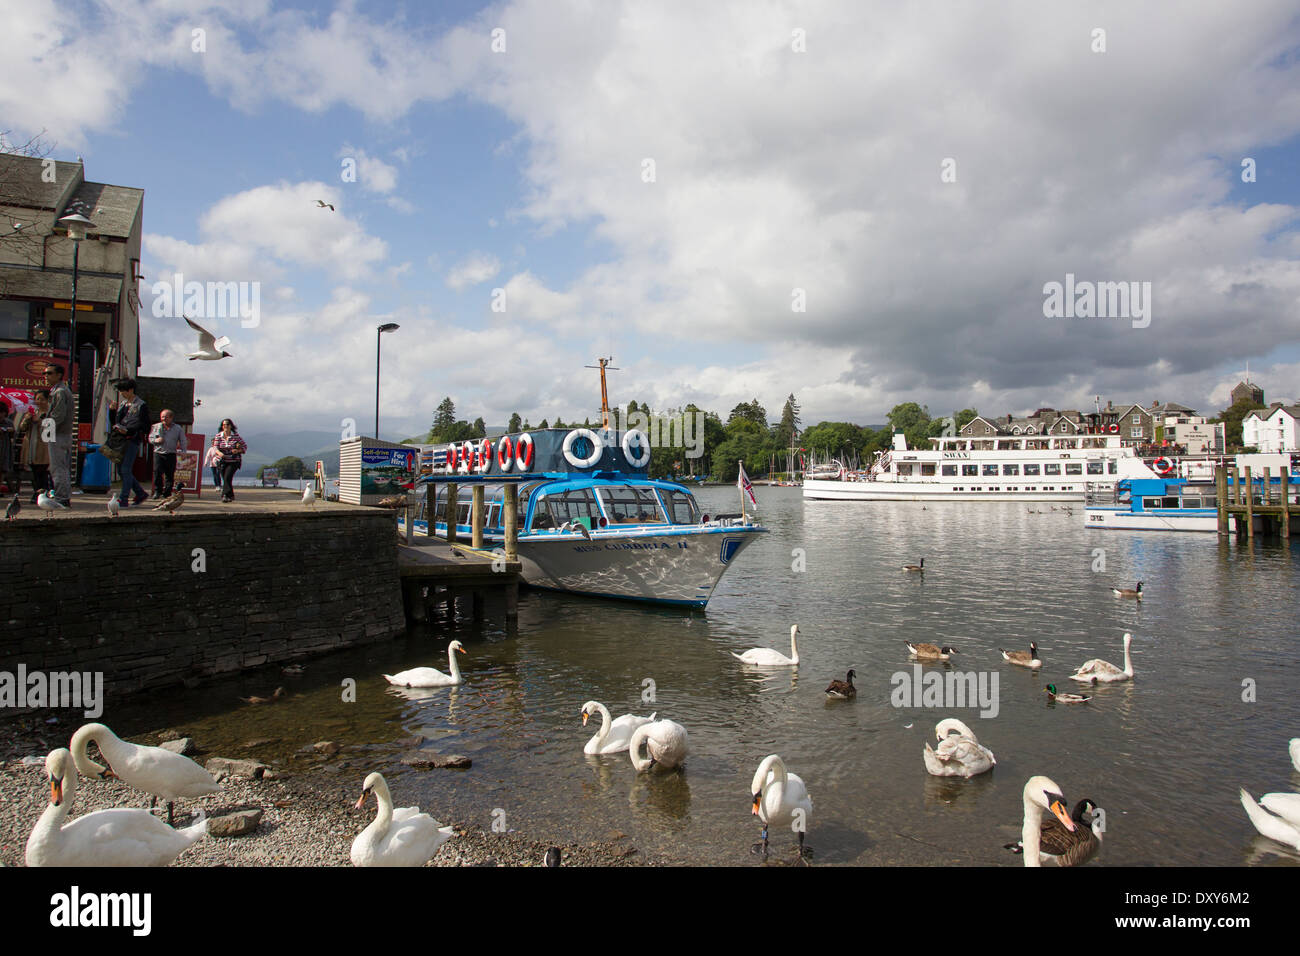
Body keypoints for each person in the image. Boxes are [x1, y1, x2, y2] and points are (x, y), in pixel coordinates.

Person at [107, 379, 151, 507]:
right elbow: (115, 422)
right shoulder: (123, 404)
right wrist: (112, 411)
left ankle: (124, 498)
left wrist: (129, 430)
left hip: (132, 440)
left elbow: (145, 425)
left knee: (125, 469)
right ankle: (140, 493)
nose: (121, 393)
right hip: (119, 440)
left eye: (123, 391)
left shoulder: (141, 405)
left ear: (131, 390)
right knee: (121, 470)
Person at [43, 365, 74, 507]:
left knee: (58, 468)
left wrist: (46, 429)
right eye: (45, 373)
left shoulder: (60, 392)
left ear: (59, 375)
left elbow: (58, 415)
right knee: (60, 467)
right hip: (61, 434)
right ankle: (63, 496)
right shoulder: (59, 391)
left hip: (58, 434)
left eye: (49, 373)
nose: (46, 376)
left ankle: (62, 498)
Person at [17, 390, 52, 503]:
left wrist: (40, 421)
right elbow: (22, 428)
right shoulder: (32, 412)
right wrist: (28, 418)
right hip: (31, 445)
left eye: (42, 399)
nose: (39, 401)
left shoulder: (50, 413)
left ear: (47, 400)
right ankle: (37, 492)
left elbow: (50, 432)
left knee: (42, 472)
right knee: (34, 472)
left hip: (43, 446)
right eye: (37, 399)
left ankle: (42, 494)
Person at [149, 408, 186, 498]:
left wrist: (183, 451)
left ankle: (167, 493)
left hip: (171, 453)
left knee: (169, 474)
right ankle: (158, 491)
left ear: (171, 418)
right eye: (162, 417)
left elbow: (183, 440)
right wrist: (156, 440)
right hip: (158, 453)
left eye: (166, 417)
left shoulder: (178, 428)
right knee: (157, 473)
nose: (163, 419)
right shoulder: (156, 427)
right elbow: (150, 439)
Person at [212, 418, 247, 503]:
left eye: (227, 424)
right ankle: (231, 495)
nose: (225, 426)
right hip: (222, 460)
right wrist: (219, 453)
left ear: (231, 426)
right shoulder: (218, 436)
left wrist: (238, 450)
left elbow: (244, 447)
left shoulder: (236, 436)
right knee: (226, 479)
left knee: (227, 477)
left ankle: (224, 495)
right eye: (224, 425)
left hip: (233, 460)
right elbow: (215, 447)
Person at [0, 399, 14, 495]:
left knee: (2, 469)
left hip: (4, 449)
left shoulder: (8, 423)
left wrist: (11, 431)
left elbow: (13, 436)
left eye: (2, 413)